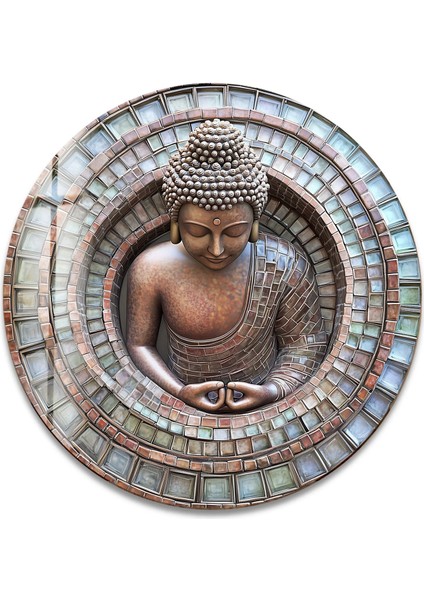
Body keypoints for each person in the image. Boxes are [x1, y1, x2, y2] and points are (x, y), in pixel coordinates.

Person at [126, 119, 327, 412]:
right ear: (176, 226)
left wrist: (271, 390)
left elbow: (304, 344)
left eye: (234, 232)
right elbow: (139, 345)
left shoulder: (284, 263)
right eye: (198, 231)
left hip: (263, 407)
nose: (217, 249)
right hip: (184, 409)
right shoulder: (151, 268)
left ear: (254, 226)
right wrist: (180, 391)